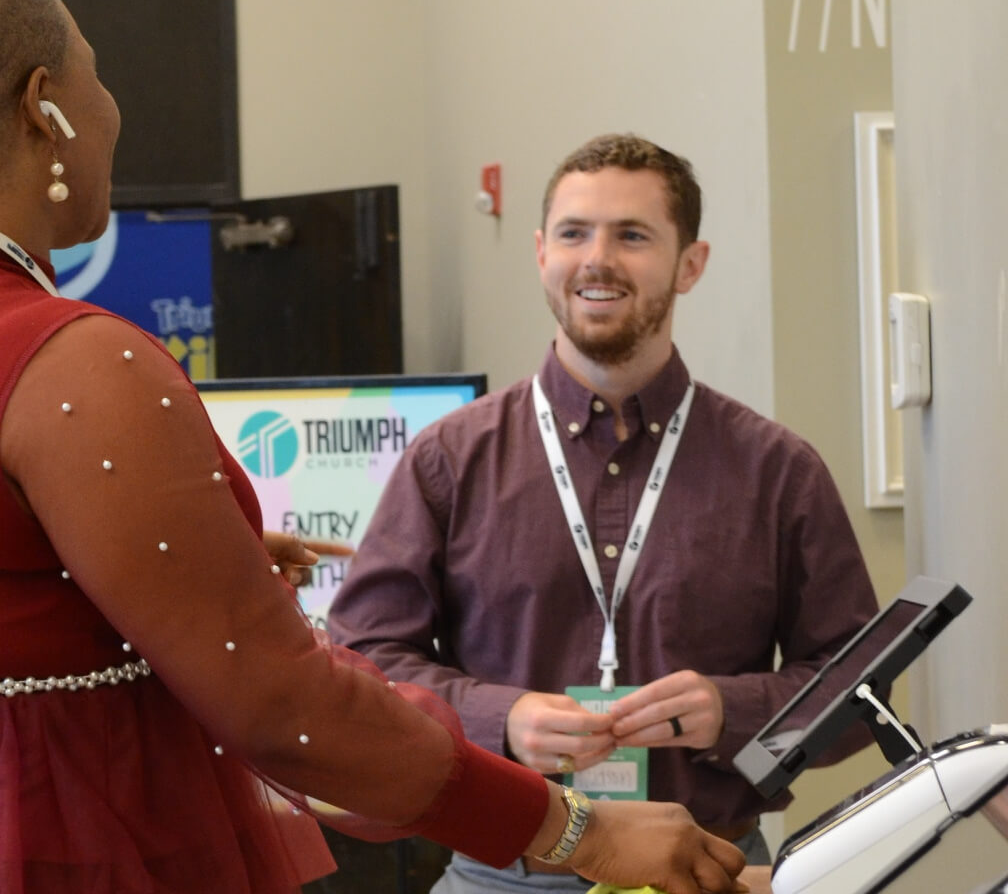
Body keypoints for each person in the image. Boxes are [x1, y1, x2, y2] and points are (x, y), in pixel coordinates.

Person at [0, 0, 749, 894]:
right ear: (44, 105)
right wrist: (572, 830)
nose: (113, 107)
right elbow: (282, 706)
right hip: (68, 843)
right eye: (98, 77)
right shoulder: (77, 365)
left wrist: (211, 561)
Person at [328, 133, 880, 893]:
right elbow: (359, 670)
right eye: (574, 233)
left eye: (633, 236)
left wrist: (732, 708)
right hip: (504, 869)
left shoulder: (778, 471)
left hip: (714, 871)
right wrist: (500, 719)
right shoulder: (447, 462)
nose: (598, 259)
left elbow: (863, 688)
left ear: (691, 263)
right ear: (540, 252)